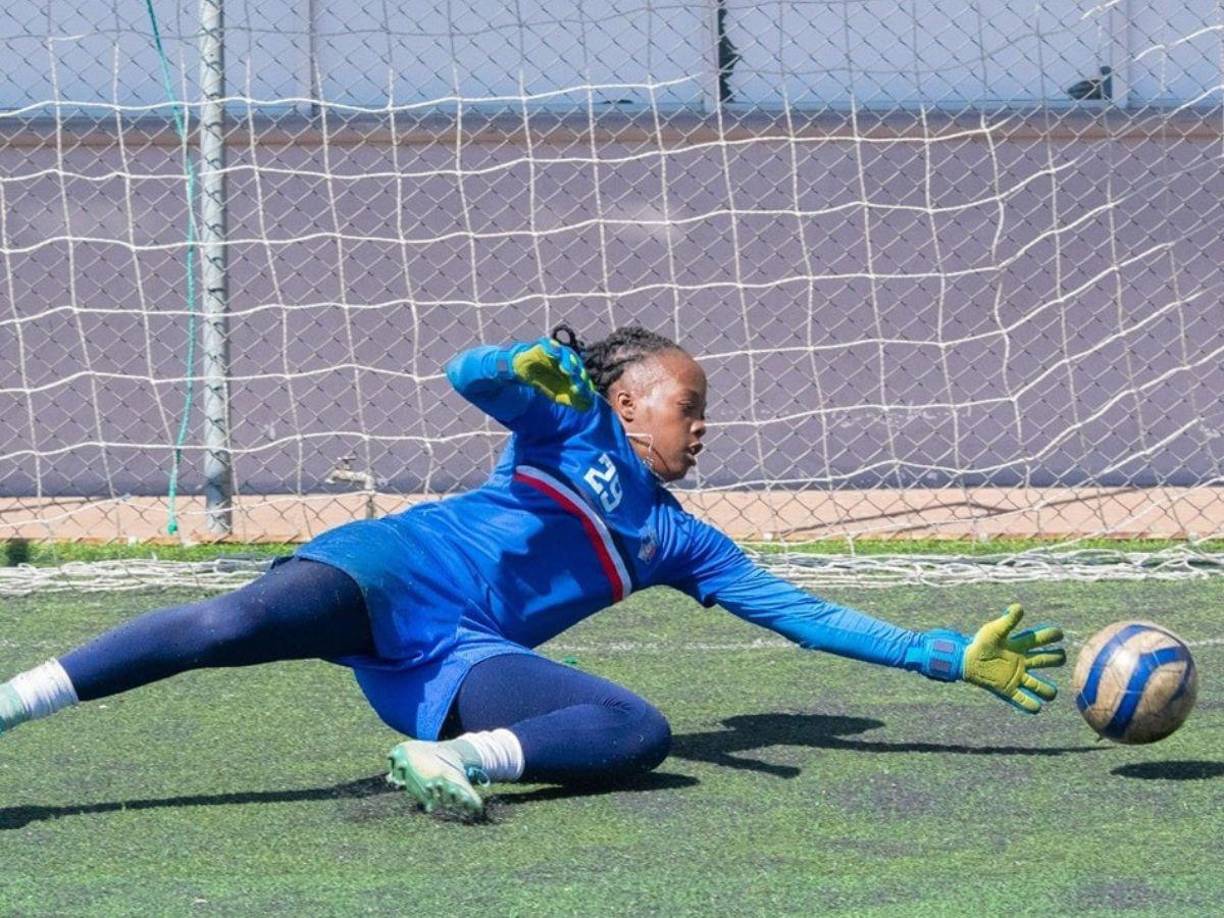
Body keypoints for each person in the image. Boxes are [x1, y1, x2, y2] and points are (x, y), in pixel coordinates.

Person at [0, 325, 1065, 816]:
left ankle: (459, 762)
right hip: (389, 569)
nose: (702, 427)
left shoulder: (682, 540)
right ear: (629, 399)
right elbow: (468, 378)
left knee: (636, 733)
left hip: (456, 657)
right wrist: (518, 364)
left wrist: (944, 656)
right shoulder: (567, 421)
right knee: (227, 629)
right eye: (687, 405)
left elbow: (803, 616)